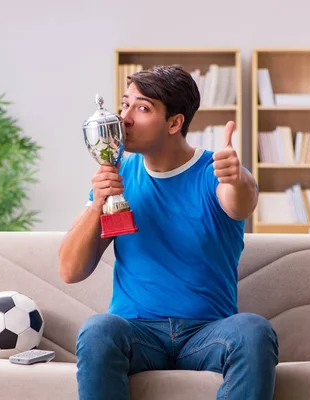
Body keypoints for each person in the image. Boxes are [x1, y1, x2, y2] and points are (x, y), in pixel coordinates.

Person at [58, 64, 279, 400]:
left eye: (142, 108)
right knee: (99, 329)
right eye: (124, 104)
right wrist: (97, 204)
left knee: (253, 330)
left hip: (208, 334)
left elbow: (239, 203)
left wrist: (237, 178)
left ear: (175, 123)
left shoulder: (215, 171)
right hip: (137, 333)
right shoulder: (118, 175)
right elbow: (70, 271)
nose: (125, 118)